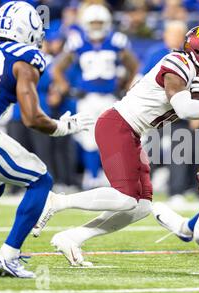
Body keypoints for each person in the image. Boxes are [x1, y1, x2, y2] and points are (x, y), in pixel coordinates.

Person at [32, 25, 199, 266]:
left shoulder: (198, 77)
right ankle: (57, 201)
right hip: (118, 124)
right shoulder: (178, 63)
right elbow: (184, 109)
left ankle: (72, 237)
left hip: (134, 133)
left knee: (141, 207)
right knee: (125, 198)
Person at [0, 2, 92, 278]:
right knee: (40, 180)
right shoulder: (26, 58)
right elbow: (32, 118)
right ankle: (8, 256)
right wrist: (63, 126)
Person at [52, 4, 139, 190]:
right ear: (85, 23)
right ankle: (91, 175)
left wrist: (125, 84)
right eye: (93, 23)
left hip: (110, 97)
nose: (97, 26)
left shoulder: (117, 40)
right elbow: (57, 69)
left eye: (100, 23)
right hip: (87, 97)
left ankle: (109, 175)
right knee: (89, 138)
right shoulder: (77, 42)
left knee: (112, 138)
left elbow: (133, 65)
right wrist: (68, 89)